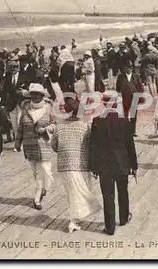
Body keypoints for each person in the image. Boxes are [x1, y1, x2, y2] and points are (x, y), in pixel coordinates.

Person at [88, 91, 138, 235]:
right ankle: (123, 218)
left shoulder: (97, 121)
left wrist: (93, 166)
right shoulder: (124, 121)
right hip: (122, 162)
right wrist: (134, 166)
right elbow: (130, 146)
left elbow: (93, 146)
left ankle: (110, 227)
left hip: (104, 164)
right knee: (123, 191)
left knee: (107, 195)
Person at [51, 98, 101, 233]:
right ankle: (73, 221)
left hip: (64, 165)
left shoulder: (59, 126)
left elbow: (54, 146)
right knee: (80, 192)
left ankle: (75, 220)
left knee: (72, 194)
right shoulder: (85, 126)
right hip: (80, 164)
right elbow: (90, 145)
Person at [15, 83, 56, 210]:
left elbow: (55, 124)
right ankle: (41, 189)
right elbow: (21, 127)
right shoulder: (26, 108)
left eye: (37, 94)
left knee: (44, 170)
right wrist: (17, 142)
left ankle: (38, 197)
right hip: (30, 144)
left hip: (44, 143)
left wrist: (46, 129)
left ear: (42, 95)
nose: (35, 97)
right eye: (32, 94)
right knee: (35, 172)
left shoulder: (48, 108)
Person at [116, 60, 144, 137]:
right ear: (124, 68)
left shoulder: (136, 76)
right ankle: (125, 130)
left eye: (130, 67)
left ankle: (132, 131)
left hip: (134, 98)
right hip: (124, 98)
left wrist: (138, 95)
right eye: (127, 67)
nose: (129, 69)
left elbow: (141, 87)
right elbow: (117, 88)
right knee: (125, 115)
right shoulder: (121, 76)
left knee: (133, 115)